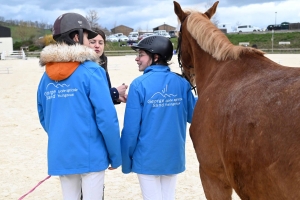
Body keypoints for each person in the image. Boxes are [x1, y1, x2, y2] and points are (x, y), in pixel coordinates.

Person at [37, 13, 122, 200]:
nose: (89, 41)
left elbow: (44, 116)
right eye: (86, 37)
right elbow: (107, 118)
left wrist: (62, 137)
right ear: (76, 37)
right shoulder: (92, 71)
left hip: (61, 153)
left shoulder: (45, 77)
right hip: (91, 153)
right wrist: (115, 155)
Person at [121, 35, 196, 200]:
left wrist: (126, 161)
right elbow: (194, 115)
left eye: (141, 54)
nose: (136, 58)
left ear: (155, 57)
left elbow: (131, 130)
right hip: (173, 157)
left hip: (146, 158)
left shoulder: (139, 85)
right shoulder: (182, 83)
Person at [88, 27, 128, 103]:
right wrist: (115, 92)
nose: (97, 46)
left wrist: (117, 98)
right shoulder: (82, 66)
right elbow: (89, 97)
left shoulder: (103, 61)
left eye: (100, 43)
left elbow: (103, 94)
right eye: (93, 42)